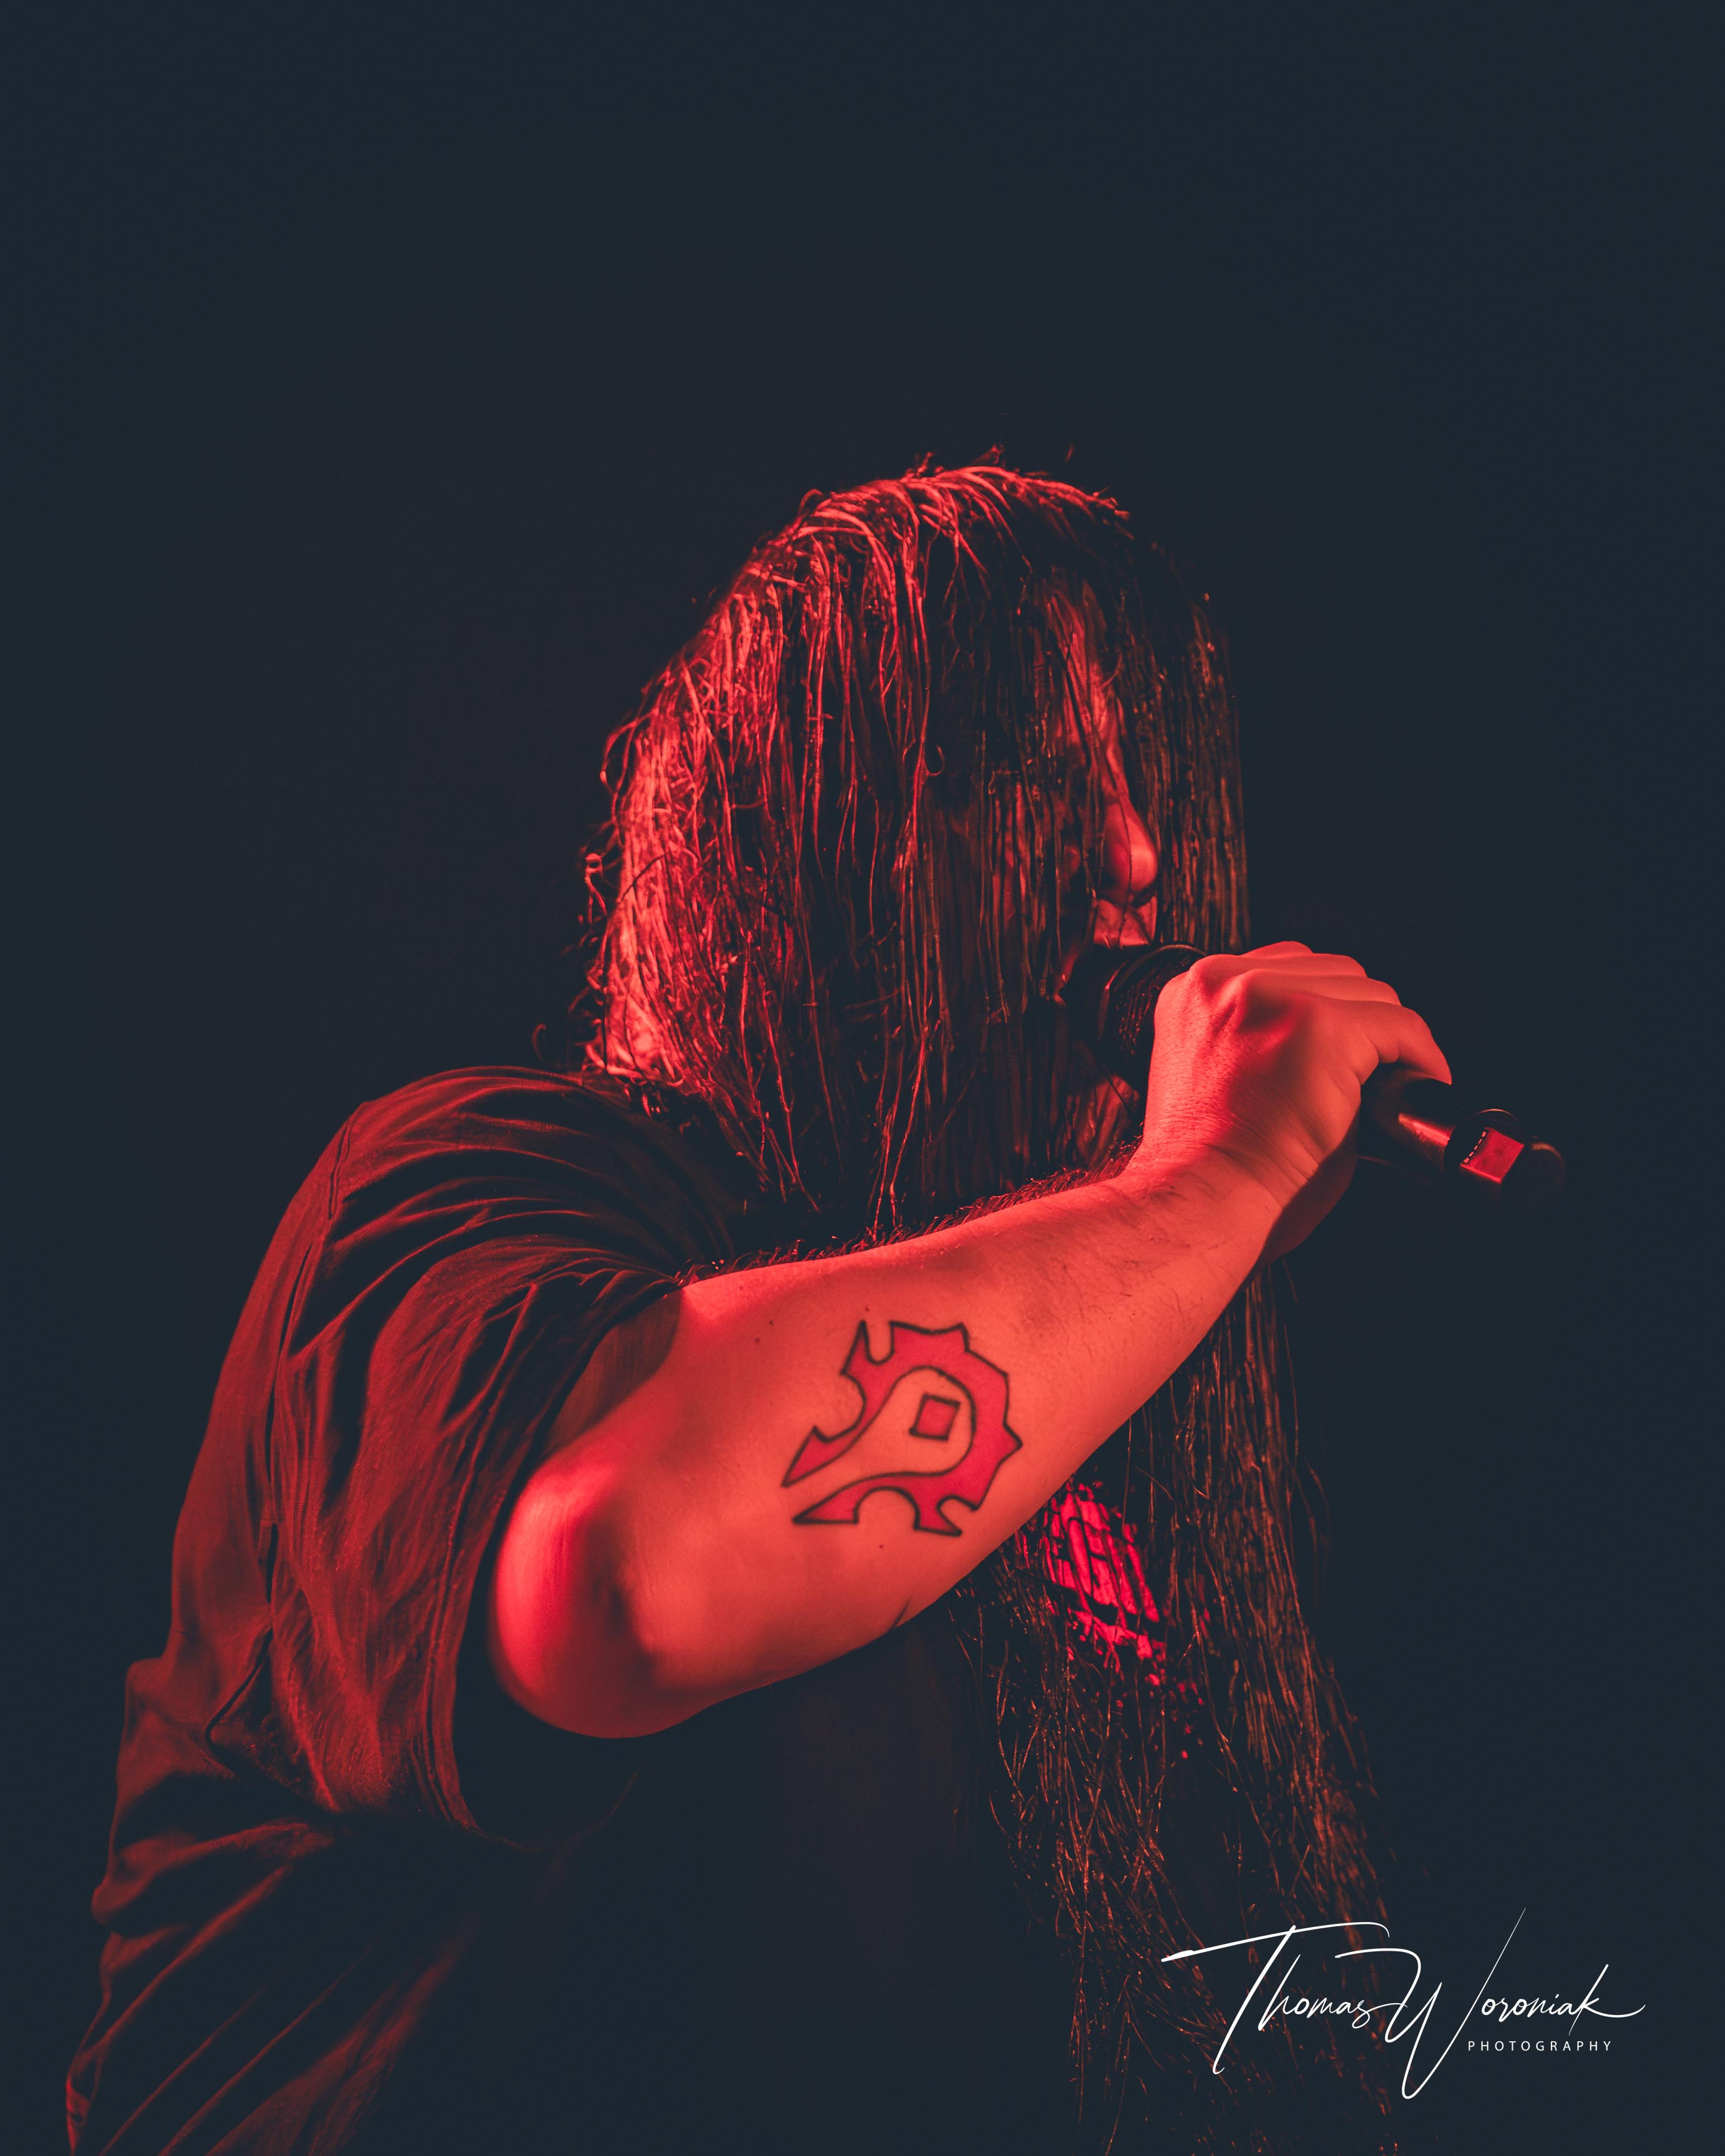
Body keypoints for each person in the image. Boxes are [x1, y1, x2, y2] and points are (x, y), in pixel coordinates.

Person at [69, 465, 1447, 2155]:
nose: (1133, 859)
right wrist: (1215, 1180)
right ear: (796, 839)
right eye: (1025, 773)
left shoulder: (1109, 1439)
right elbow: (624, 1577)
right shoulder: (479, 1187)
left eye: (1145, 787)